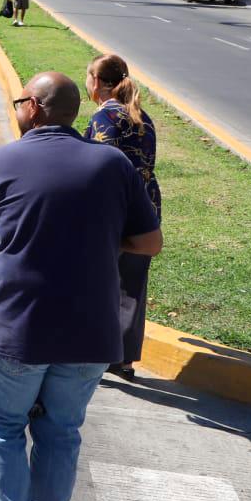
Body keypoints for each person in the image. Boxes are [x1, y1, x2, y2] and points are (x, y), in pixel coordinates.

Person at [0, 73, 162, 501]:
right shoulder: (112, 165)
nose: (15, 109)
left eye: (17, 102)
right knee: (61, 433)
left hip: (15, 328)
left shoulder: (1, 161)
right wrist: (105, 238)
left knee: (2, 429)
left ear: (34, 106)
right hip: (89, 333)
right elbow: (150, 243)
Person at [83, 54, 160, 382]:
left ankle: (98, 353)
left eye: (89, 77)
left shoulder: (104, 119)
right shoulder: (143, 116)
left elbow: (97, 170)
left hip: (112, 213)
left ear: (97, 83)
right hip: (146, 209)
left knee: (99, 283)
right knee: (132, 286)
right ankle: (125, 361)